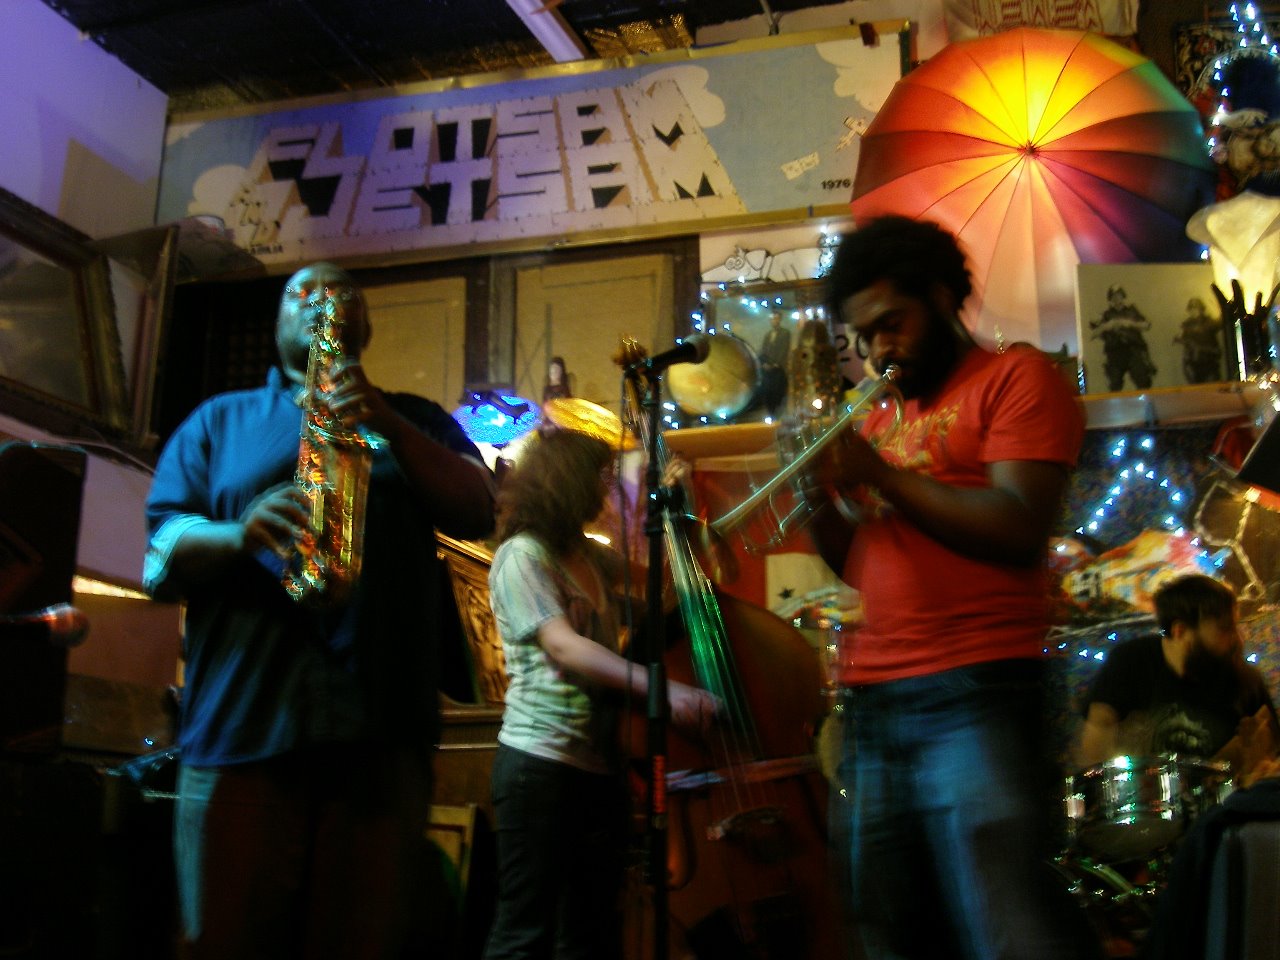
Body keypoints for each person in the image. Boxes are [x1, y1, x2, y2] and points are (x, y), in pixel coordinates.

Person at [143, 262, 496, 959]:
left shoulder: (418, 419)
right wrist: (239, 534)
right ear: (276, 321)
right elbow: (159, 552)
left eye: (341, 292)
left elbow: (478, 509)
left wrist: (387, 421)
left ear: (366, 324)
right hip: (241, 732)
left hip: (380, 741)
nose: (322, 301)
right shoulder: (221, 420)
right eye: (301, 292)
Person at [806, 215, 1101, 959]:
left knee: (1008, 926)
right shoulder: (878, 416)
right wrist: (817, 498)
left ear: (941, 297)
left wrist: (880, 475)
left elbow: (1016, 525)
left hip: (977, 688)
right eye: (864, 336)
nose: (879, 349)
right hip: (872, 697)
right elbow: (857, 561)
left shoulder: (1017, 378)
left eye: (891, 323)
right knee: (888, 928)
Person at [481, 428, 718, 960]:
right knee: (525, 931)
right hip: (538, 764)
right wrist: (664, 689)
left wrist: (680, 516)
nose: (608, 492)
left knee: (591, 933)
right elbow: (563, 645)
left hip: (597, 765)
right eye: (602, 479)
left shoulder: (586, 553)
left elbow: (663, 586)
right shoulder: (522, 555)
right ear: (568, 481)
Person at [1075, 574, 1277, 772]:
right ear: (1180, 631)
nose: (1238, 639)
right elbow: (1097, 742)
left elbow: (1269, 756)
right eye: (1225, 629)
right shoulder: (1129, 661)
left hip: (1224, 793)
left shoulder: (1246, 679)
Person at [1089, 285, 1157, 391]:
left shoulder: (1132, 311)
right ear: (1110, 299)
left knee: (1143, 381)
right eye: (1114, 296)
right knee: (1115, 385)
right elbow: (1093, 334)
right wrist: (1107, 326)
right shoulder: (1106, 315)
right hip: (1115, 353)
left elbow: (1147, 325)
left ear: (1123, 296)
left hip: (1133, 350)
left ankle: (1146, 401)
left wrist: (1130, 324)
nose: (1117, 299)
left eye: (1119, 295)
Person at [1172, 297, 1223, 385]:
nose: (1193, 311)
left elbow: (1221, 323)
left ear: (1201, 309)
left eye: (1195, 308)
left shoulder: (1210, 323)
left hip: (1209, 362)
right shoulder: (1186, 325)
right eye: (1191, 309)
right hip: (1194, 364)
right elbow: (1181, 338)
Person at [758, 310, 792, 417]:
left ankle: (779, 417)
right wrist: (764, 363)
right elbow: (763, 351)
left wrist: (776, 364)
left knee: (779, 394)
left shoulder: (785, 333)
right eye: (772, 319)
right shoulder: (767, 335)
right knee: (768, 394)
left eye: (776, 318)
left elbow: (784, 350)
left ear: (780, 320)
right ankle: (771, 415)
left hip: (779, 370)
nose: (774, 321)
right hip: (768, 371)